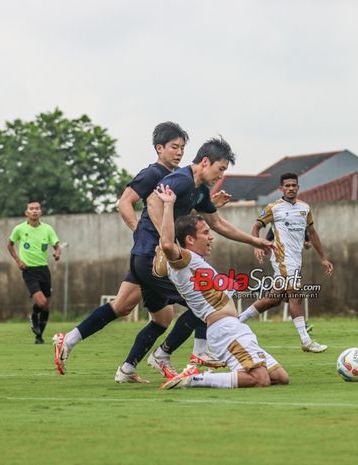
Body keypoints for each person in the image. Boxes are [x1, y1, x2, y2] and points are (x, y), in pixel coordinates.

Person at [51, 122, 231, 376]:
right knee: (197, 300)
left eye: (182, 147)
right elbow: (125, 203)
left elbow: (176, 215)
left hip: (152, 253)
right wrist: (143, 234)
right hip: (150, 253)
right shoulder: (152, 174)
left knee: (132, 309)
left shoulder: (183, 177)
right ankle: (186, 358)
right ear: (159, 148)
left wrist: (210, 204)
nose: (178, 152)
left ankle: (92, 352)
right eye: (173, 147)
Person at [111, 136, 272, 383]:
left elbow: (216, 222)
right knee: (204, 300)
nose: (221, 176)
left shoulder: (199, 190)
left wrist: (254, 241)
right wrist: (168, 241)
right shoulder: (182, 180)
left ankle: (136, 366)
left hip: (165, 255)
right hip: (158, 255)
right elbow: (153, 202)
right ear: (205, 162)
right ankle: (186, 356)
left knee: (174, 313)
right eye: (220, 169)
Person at [153, 185, 289, 390]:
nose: (211, 237)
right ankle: (194, 379)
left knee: (280, 377)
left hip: (233, 327)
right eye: (206, 233)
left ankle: (203, 376)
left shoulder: (193, 262)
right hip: (225, 330)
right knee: (260, 380)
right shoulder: (184, 259)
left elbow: (182, 230)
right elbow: (167, 244)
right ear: (189, 240)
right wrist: (169, 205)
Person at [238, 173, 333, 353]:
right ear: (281, 189)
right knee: (295, 294)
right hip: (281, 258)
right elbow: (257, 226)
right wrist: (256, 245)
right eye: (287, 186)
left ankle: (236, 321)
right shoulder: (273, 208)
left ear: (298, 187)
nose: (291, 188)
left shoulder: (305, 208)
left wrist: (323, 258)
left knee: (273, 300)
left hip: (296, 259)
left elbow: (312, 233)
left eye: (293, 185)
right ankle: (306, 341)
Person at [7, 200, 61, 344]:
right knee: (41, 302)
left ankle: (39, 336)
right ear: (27, 212)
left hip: (44, 269)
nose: (35, 211)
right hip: (29, 270)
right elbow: (10, 245)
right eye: (31, 209)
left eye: (37, 208)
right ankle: (33, 316)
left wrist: (57, 253)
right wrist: (18, 261)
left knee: (46, 305)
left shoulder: (48, 229)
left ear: (41, 212)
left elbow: (57, 246)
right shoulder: (19, 229)